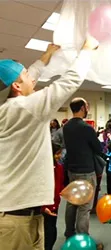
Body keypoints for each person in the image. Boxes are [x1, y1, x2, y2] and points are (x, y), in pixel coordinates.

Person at [0, 38, 97, 250]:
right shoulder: (24, 108)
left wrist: (47, 55)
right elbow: (68, 82)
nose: (32, 80)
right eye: (26, 75)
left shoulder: (9, 107)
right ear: (17, 86)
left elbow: (29, 77)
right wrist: (86, 50)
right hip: (16, 218)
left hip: (22, 210)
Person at [63, 98, 104, 242]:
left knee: (72, 202)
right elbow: (98, 149)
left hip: (71, 170)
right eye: (87, 106)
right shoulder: (86, 128)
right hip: (86, 170)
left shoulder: (66, 127)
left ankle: (69, 233)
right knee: (84, 206)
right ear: (81, 108)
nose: (88, 109)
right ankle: (83, 238)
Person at [42, 143, 64, 250]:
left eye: (60, 153)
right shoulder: (44, 169)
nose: (59, 156)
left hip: (55, 204)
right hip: (45, 206)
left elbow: (60, 184)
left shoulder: (59, 167)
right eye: (57, 153)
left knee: (52, 232)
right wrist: (43, 207)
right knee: (47, 233)